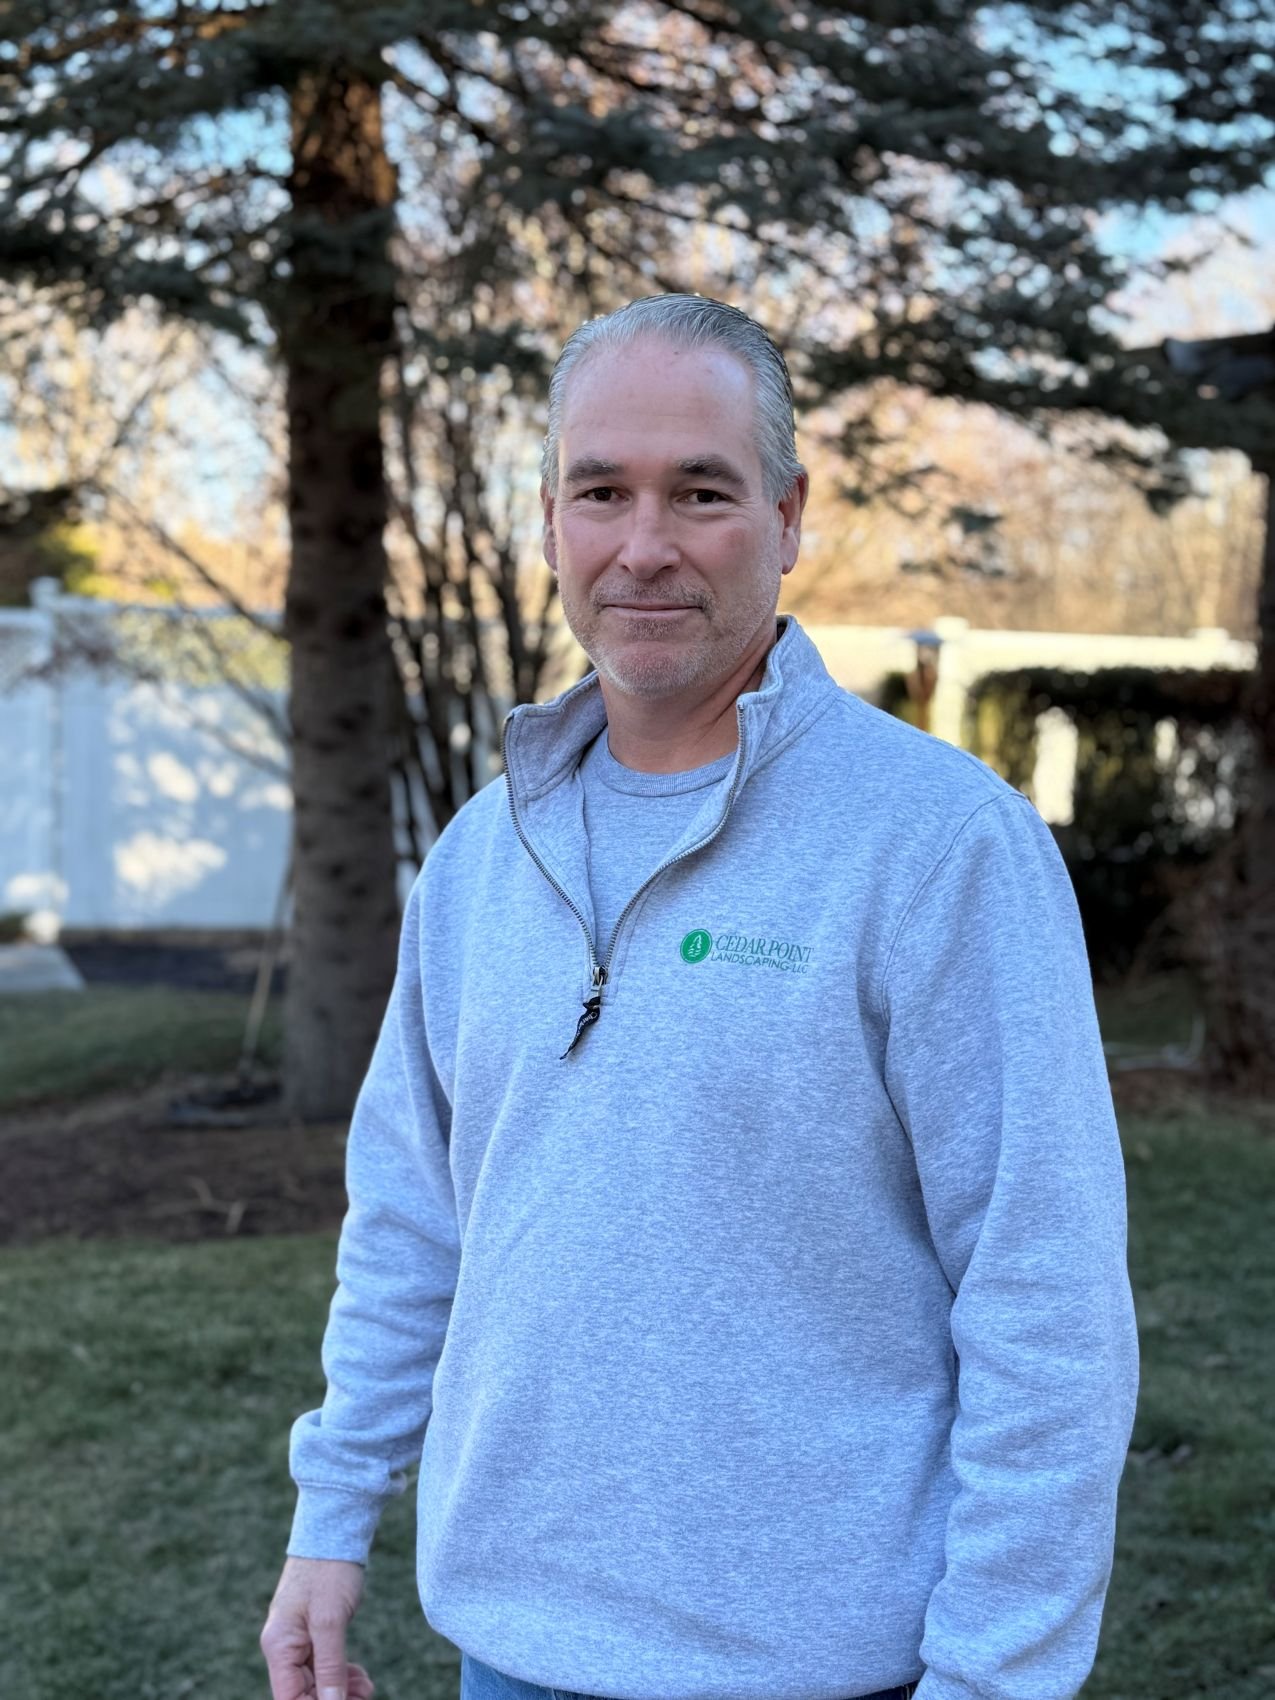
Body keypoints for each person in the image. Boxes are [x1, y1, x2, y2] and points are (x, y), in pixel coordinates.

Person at [260, 294, 1139, 1700]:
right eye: (602, 490)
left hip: (828, 1667)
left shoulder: (942, 847)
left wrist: (996, 1681)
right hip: (514, 1649)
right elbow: (413, 1216)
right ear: (551, 516)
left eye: (702, 492)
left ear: (788, 519)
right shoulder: (483, 858)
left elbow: (1048, 1310)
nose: (645, 544)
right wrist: (333, 1511)